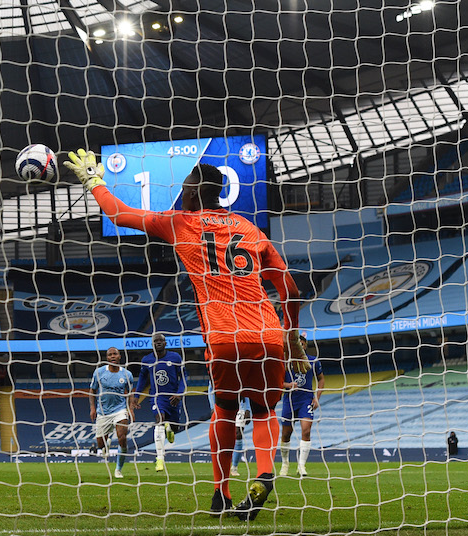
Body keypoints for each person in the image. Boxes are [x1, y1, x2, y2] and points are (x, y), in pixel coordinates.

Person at [65, 151, 307, 521]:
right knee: (263, 411)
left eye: (183, 189)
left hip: (225, 336)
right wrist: (291, 338)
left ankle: (220, 494)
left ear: (193, 195)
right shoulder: (250, 229)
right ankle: (263, 473)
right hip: (269, 333)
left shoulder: (181, 223)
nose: (181, 195)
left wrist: (94, 181)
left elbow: (119, 215)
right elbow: (290, 289)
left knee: (225, 410)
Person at [134, 333, 187, 472]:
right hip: (157, 397)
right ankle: (159, 459)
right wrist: (136, 395)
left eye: (160, 341)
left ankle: (170, 429)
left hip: (173, 398)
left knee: (175, 428)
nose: (158, 343)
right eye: (155, 341)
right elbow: (142, 378)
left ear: (165, 343)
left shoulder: (175, 357)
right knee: (159, 419)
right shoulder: (147, 360)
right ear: (152, 344)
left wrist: (179, 394)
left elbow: (184, 377)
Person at [279, 333, 324, 477]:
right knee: (286, 434)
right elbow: (277, 382)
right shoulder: (285, 362)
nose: (300, 346)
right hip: (289, 401)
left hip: (306, 400)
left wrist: (317, 397)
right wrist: (288, 385)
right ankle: (285, 463)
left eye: (302, 344)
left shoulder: (313, 361)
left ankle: (301, 466)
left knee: (306, 431)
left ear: (305, 346)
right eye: (297, 344)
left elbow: (321, 379)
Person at [89, 347, 135, 479]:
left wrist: (130, 409)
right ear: (107, 358)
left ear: (120, 356)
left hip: (120, 410)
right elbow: (92, 391)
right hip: (103, 412)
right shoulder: (99, 372)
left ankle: (118, 470)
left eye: (115, 354)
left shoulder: (127, 374)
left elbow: (131, 393)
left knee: (122, 437)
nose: (113, 356)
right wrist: (92, 408)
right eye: (110, 355)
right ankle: (107, 442)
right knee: (100, 444)